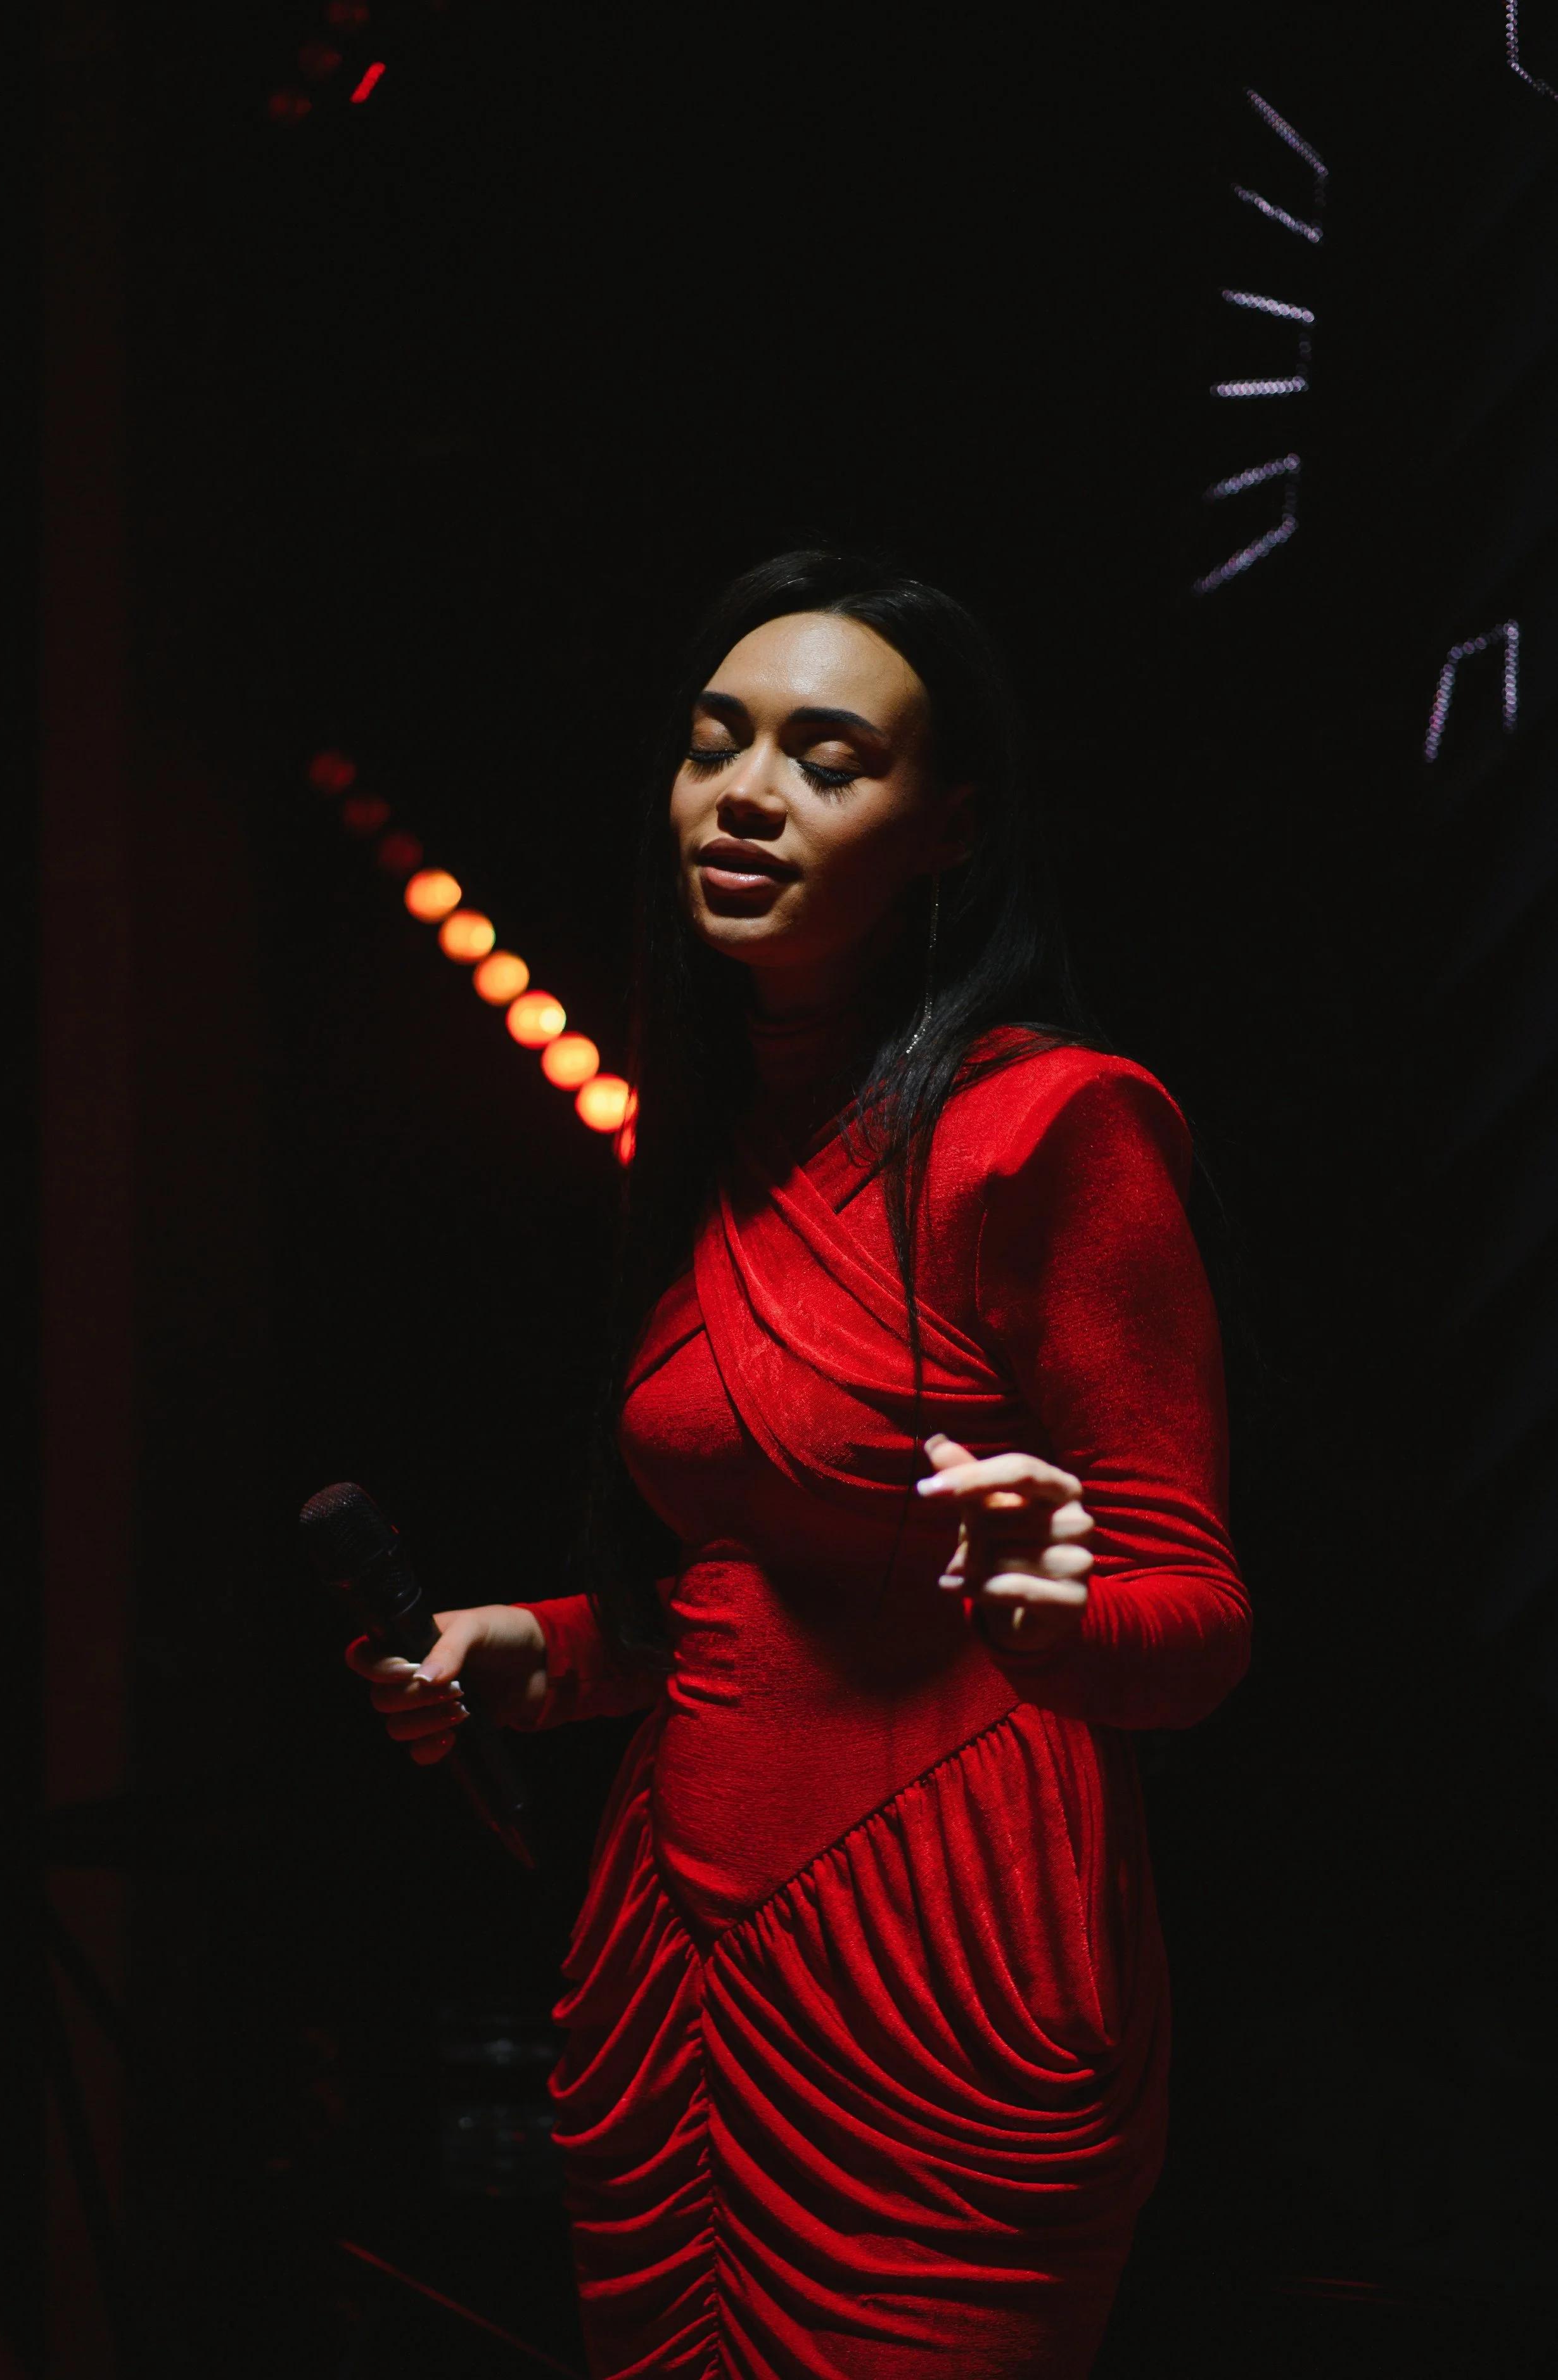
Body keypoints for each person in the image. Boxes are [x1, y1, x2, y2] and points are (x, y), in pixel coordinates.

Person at [347, 552, 1251, 2378]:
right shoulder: (705, 1127)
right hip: (673, 1968)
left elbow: (1199, 1622)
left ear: (951, 829)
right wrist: (527, 1649)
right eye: (714, 743)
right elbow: (738, 1585)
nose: (746, 792)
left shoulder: (1054, 1128)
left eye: (828, 758)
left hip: (947, 1968)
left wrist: (1048, 1616)